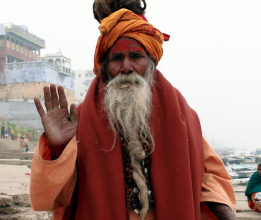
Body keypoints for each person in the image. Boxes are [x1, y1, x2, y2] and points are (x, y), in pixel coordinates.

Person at [30, 1, 236, 219]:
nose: (126, 67)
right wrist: (59, 148)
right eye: (117, 58)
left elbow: (209, 176)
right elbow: (51, 199)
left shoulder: (182, 115)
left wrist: (226, 213)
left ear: (151, 63)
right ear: (105, 68)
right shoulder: (79, 119)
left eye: (136, 57)